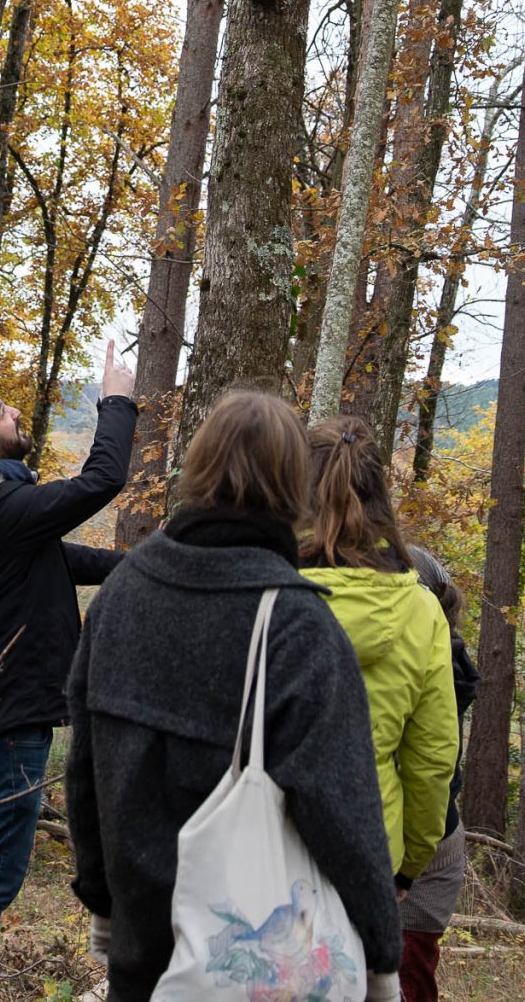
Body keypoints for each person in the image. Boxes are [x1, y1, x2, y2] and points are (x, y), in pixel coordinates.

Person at [67, 390, 405, 1002]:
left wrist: (102, 902)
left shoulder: (121, 596)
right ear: (292, 484)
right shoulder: (300, 629)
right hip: (254, 970)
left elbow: (87, 766)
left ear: (197, 466)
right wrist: (381, 956)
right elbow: (344, 814)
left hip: (142, 953)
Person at [0, 341, 137, 996]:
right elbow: (103, 480)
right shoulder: (3, 510)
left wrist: (148, 567)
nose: (16, 413)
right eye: (4, 411)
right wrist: (116, 399)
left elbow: (63, 559)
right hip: (4, 717)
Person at [298, 417, 458, 888]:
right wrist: (408, 865)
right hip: (367, 854)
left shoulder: (257, 591)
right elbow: (431, 758)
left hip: (257, 849)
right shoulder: (421, 610)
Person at [399, 546, 480, 1002]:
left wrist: (406, 869)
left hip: (417, 852)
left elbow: (430, 775)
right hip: (436, 844)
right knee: (413, 975)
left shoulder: (428, 665)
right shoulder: (453, 662)